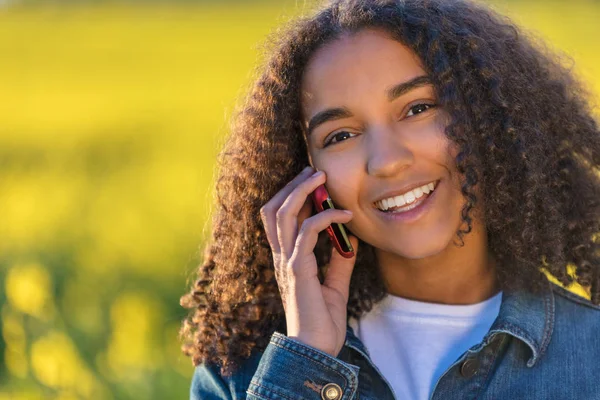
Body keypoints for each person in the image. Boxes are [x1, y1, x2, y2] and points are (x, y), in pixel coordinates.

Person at [179, 0, 600, 399]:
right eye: (340, 135)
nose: (387, 162)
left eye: (417, 108)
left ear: (486, 116)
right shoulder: (243, 375)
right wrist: (306, 365)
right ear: (306, 175)